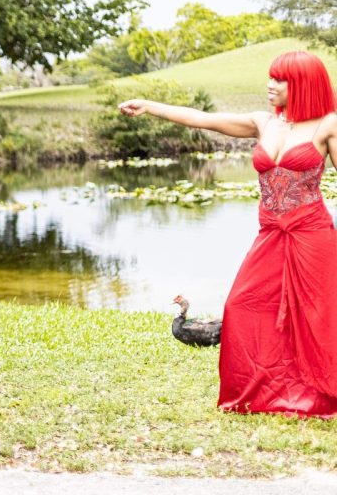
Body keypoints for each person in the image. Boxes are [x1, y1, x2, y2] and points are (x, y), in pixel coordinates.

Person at [119, 50, 337, 417]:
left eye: (279, 79)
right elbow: (202, 119)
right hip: (270, 233)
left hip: (311, 234)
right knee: (242, 305)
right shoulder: (263, 122)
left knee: (316, 315)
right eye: (269, 77)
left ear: (302, 84)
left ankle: (319, 394)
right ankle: (262, 393)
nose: (270, 85)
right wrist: (151, 106)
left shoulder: (328, 125)